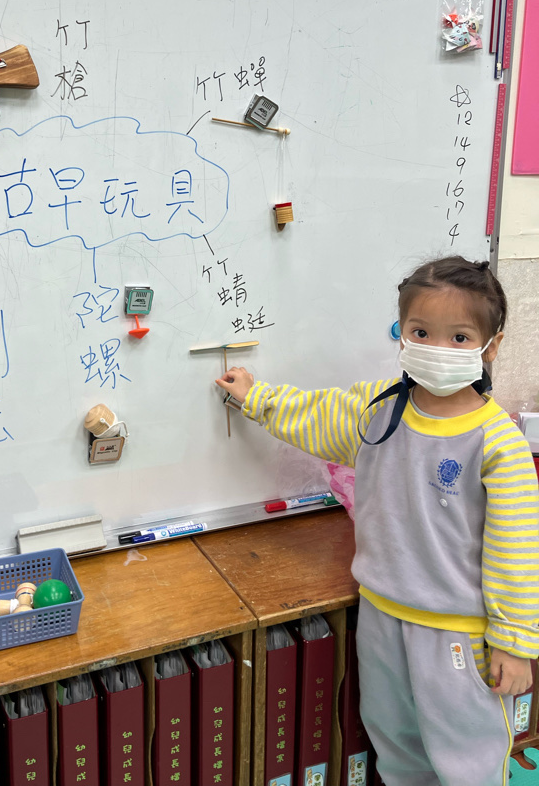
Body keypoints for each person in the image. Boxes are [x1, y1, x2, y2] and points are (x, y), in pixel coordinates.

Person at [216, 256, 539, 786]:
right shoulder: (379, 410)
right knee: (396, 750)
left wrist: (515, 642)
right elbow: (313, 414)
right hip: (382, 618)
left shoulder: (498, 442)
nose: (437, 348)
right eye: (421, 332)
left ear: (491, 346)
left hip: (457, 635)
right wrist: (257, 396)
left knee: (468, 763)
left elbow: (517, 553)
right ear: (402, 332)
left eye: (459, 337)